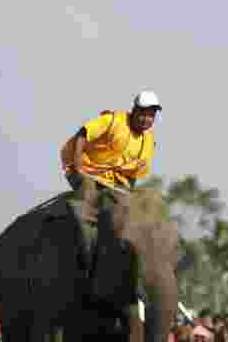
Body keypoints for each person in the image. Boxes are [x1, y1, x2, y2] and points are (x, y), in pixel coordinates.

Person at [59, 91, 162, 268]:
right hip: (85, 170)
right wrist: (78, 165)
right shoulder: (113, 121)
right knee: (89, 198)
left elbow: (133, 174)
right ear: (134, 110)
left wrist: (128, 197)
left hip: (113, 182)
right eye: (143, 113)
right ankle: (82, 252)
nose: (146, 119)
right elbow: (83, 133)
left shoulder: (149, 143)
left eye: (151, 115)